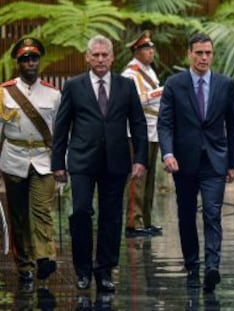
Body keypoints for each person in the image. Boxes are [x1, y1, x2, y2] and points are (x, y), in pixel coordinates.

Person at [51, 35, 148, 292]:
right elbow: (61, 127)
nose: (101, 59)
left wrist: (140, 159)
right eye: (95, 55)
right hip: (82, 160)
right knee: (80, 212)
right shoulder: (74, 86)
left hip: (115, 162)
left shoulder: (126, 86)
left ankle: (104, 271)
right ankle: (82, 270)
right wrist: (57, 163)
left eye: (105, 55)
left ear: (113, 57)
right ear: (87, 57)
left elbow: (138, 123)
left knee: (112, 218)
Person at [157, 33, 234, 292]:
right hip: (184, 161)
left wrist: (232, 162)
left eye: (208, 53)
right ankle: (192, 264)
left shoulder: (225, 84)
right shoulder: (174, 84)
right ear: (190, 54)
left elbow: (233, 126)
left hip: (215, 160)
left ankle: (212, 266)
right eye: (199, 53)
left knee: (213, 213)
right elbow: (165, 123)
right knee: (185, 214)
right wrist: (168, 153)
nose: (204, 57)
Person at [0, 37, 60, 291]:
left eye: (34, 58)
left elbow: (60, 132)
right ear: (18, 62)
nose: (30, 63)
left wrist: (62, 165)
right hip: (14, 158)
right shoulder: (4, 92)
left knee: (41, 210)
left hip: (43, 161)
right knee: (19, 216)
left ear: (40, 60)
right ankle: (24, 266)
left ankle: (45, 257)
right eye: (25, 59)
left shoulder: (53, 94)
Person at [122, 30, 163, 238]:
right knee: (137, 178)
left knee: (149, 179)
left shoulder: (149, 72)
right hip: (137, 132)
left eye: (152, 48)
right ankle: (133, 222)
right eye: (146, 48)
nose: (151, 52)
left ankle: (146, 219)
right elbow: (137, 99)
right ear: (136, 51)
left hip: (153, 130)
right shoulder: (131, 74)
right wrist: (161, 91)